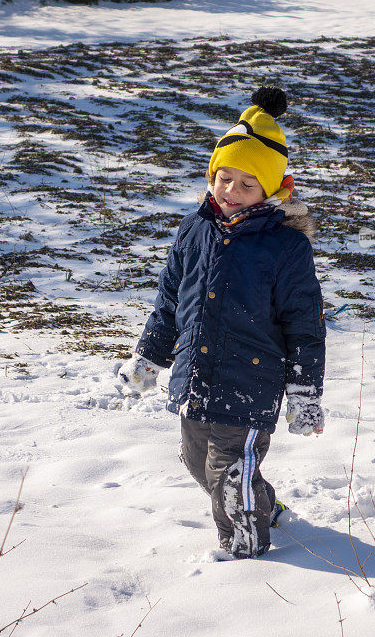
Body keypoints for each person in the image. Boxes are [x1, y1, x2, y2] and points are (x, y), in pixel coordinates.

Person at [118, 86, 326, 560]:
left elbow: (305, 325)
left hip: (250, 380)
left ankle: (246, 555)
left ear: (270, 189)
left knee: (229, 473)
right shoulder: (194, 230)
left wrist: (305, 392)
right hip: (196, 375)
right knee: (197, 461)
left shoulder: (285, 247)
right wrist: (149, 357)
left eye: (246, 184)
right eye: (223, 177)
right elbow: (169, 299)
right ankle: (262, 505)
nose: (230, 191)